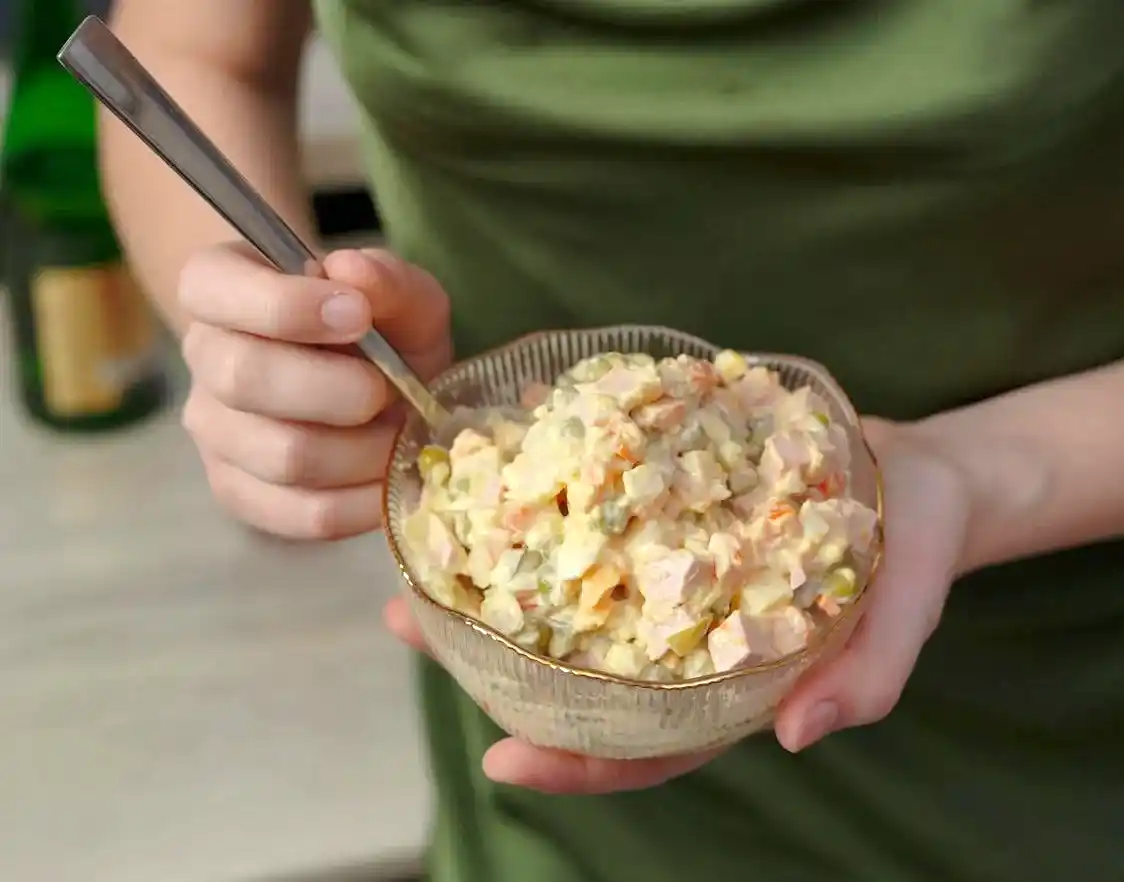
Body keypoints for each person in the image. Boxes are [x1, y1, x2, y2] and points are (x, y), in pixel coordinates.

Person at [99, 2, 1124, 880]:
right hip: (540, 705)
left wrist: (980, 473)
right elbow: (195, 52)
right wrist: (278, 344)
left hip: (1053, 733)